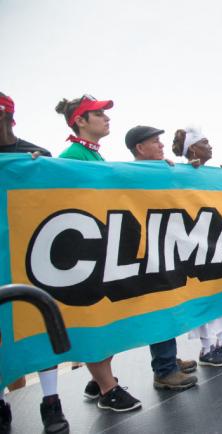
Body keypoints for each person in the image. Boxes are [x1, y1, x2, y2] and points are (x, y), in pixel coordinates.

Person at [55, 94, 142, 412]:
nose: (106, 119)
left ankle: (99, 377)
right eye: (98, 114)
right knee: (94, 320)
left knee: (107, 317)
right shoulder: (72, 156)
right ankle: (108, 388)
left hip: (101, 250)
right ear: (80, 120)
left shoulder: (93, 156)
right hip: (84, 255)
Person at [0, 92, 68, 433]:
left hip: (29, 254)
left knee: (39, 326)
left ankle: (51, 401)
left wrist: (38, 169)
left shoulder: (36, 154)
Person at [124, 125, 200, 391]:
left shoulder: (159, 169)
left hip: (163, 249)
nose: (161, 145)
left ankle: (168, 359)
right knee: (159, 308)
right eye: (155, 142)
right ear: (140, 148)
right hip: (146, 253)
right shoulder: (129, 174)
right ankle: (164, 369)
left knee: (167, 307)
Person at [170, 127, 222, 364]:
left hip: (220, 241)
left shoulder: (214, 173)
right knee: (204, 297)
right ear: (193, 148)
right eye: (205, 142)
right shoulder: (180, 172)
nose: (210, 146)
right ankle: (207, 347)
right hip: (197, 243)